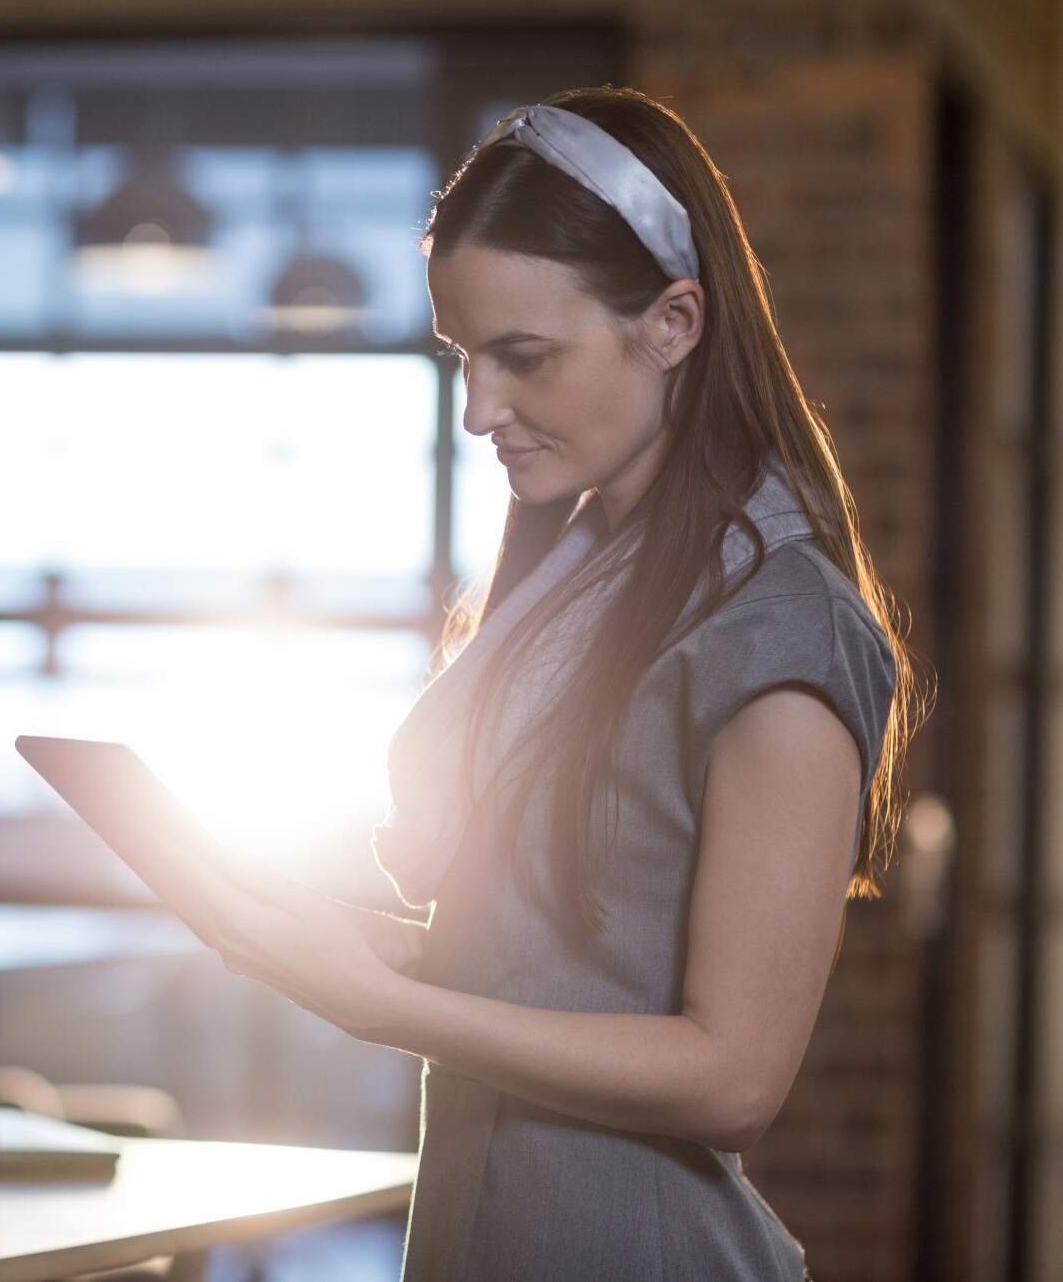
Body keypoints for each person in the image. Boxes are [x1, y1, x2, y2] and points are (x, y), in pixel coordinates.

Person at [173, 88, 922, 1278]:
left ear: (673, 322)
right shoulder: (578, 589)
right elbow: (546, 959)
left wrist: (387, 1006)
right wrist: (346, 946)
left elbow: (733, 1078)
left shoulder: (780, 624)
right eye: (462, 357)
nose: (477, 410)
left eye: (522, 358)